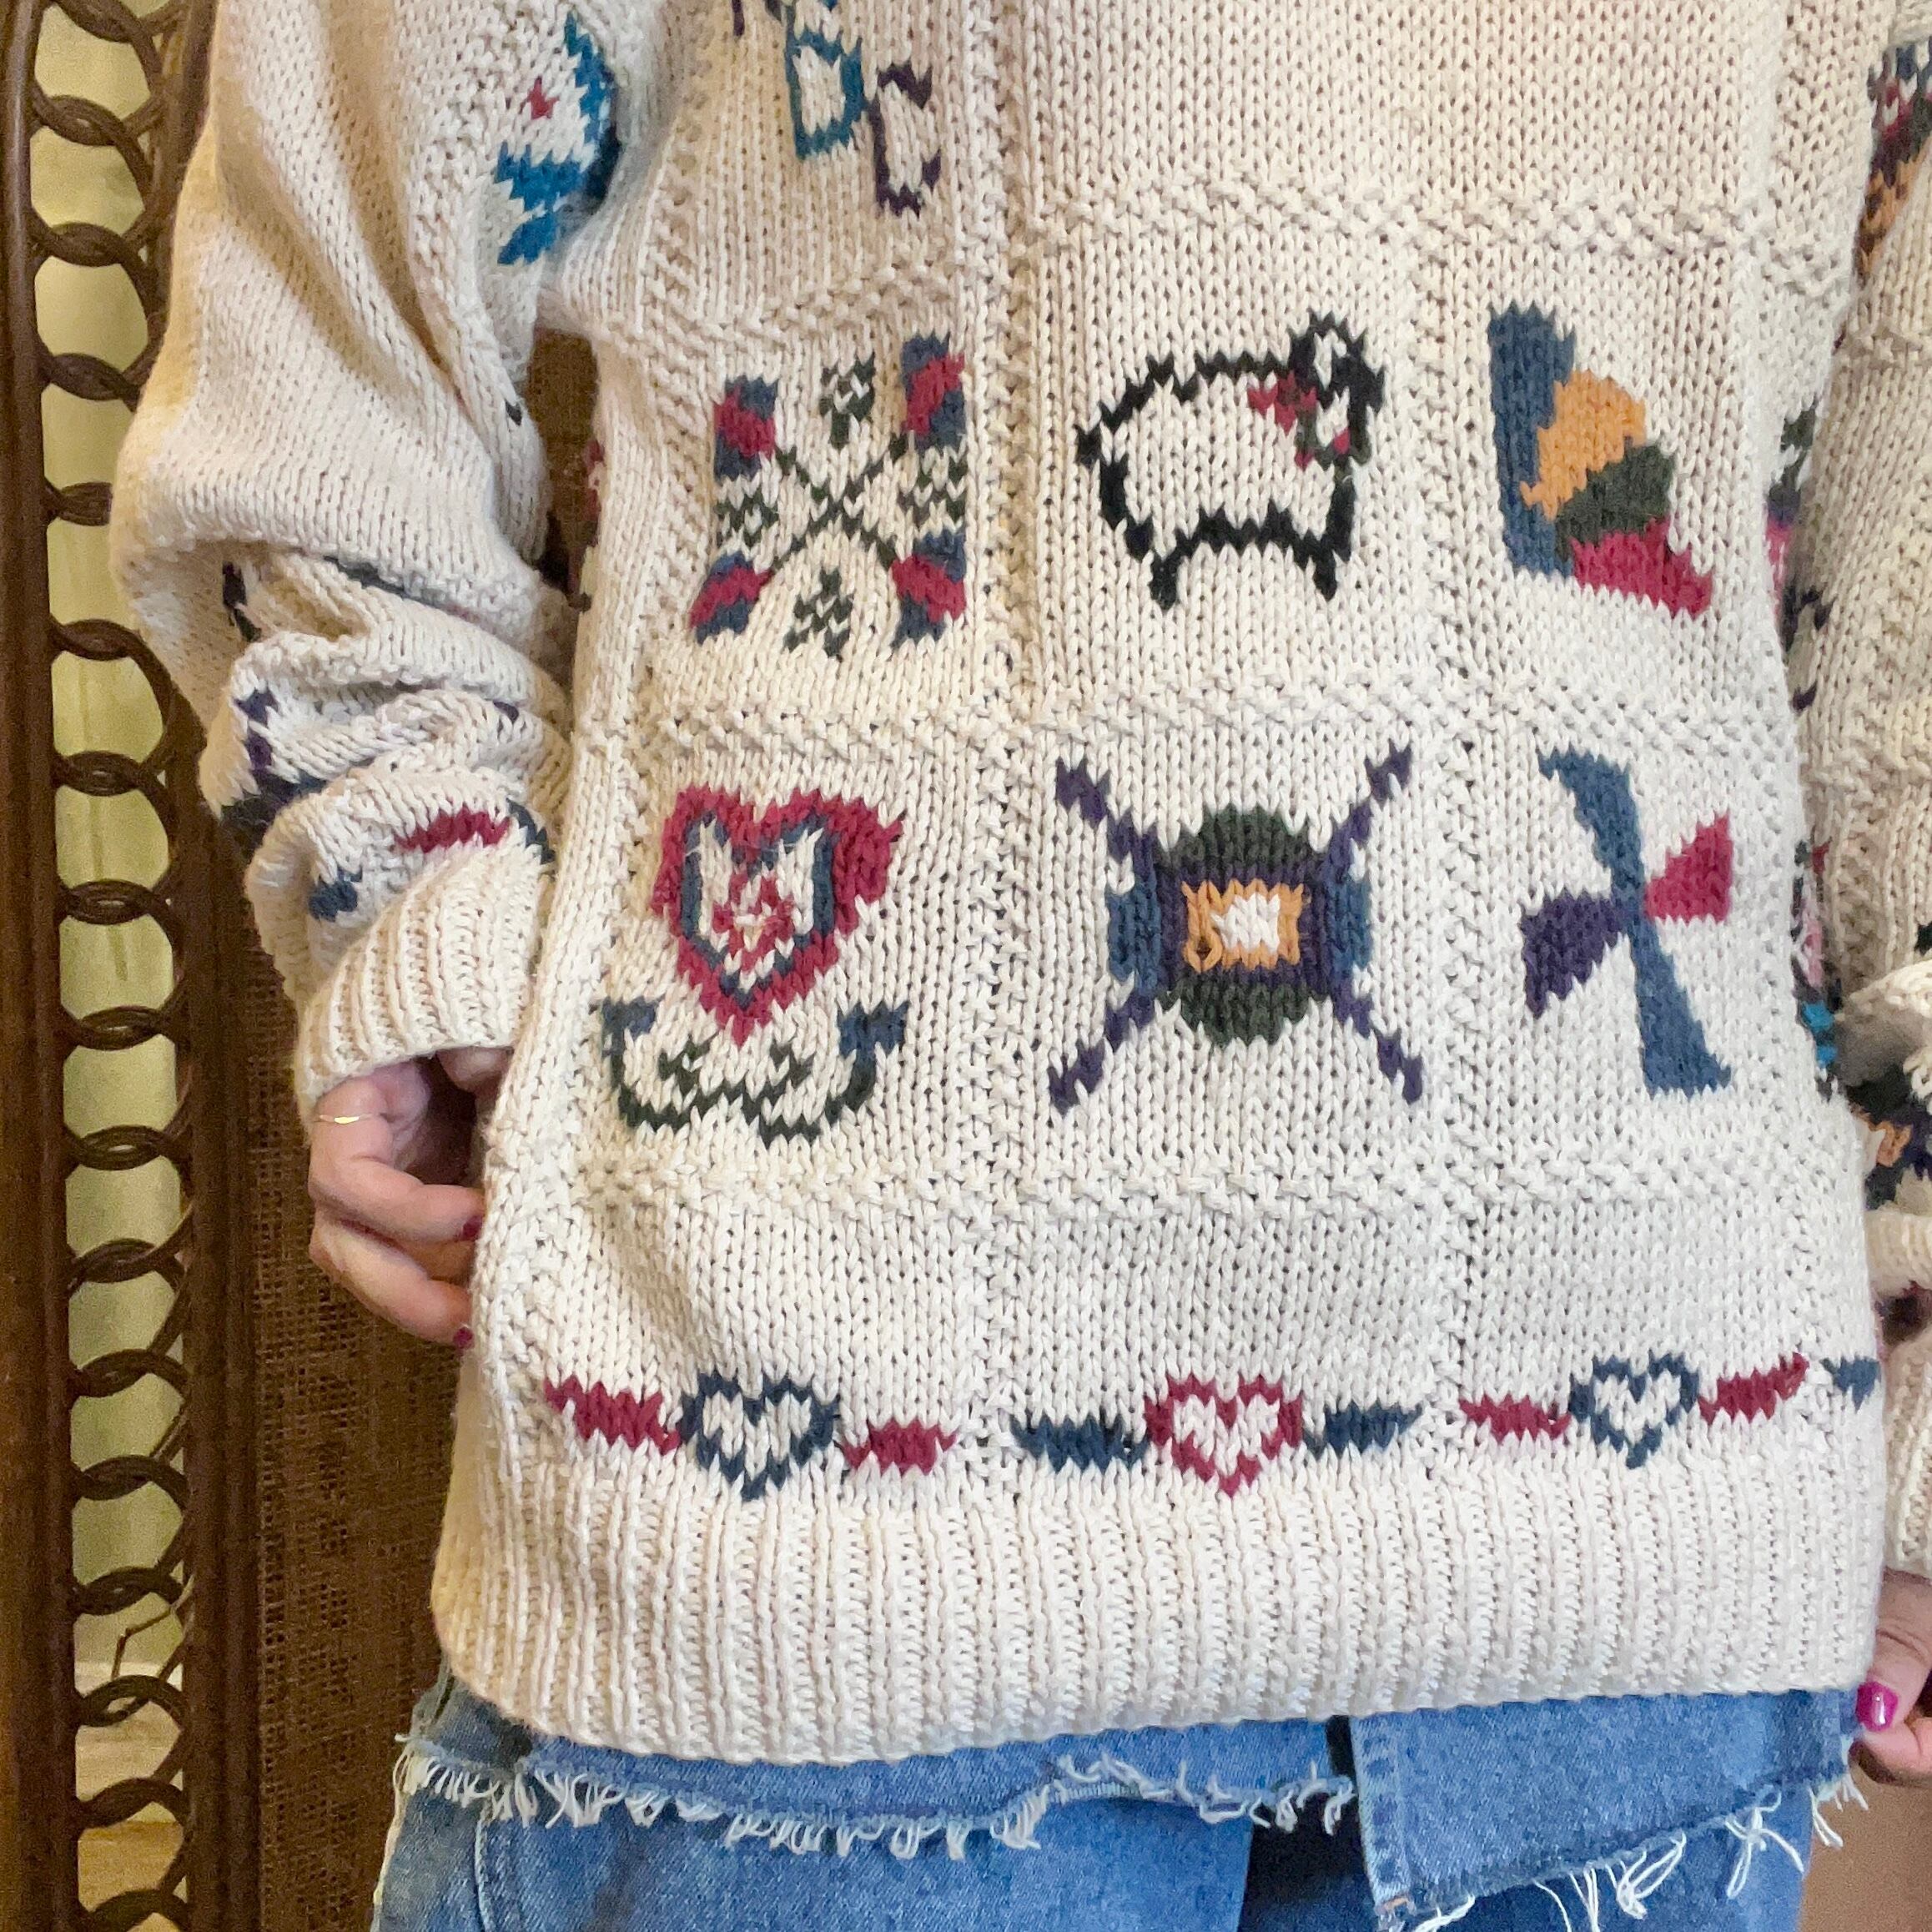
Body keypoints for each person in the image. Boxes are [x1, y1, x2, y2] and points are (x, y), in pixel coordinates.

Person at [110, 0, 1932, 1925]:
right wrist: (433, 911)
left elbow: (1897, 615)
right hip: (819, 1517)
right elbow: (327, 348)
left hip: (1644, 1567)